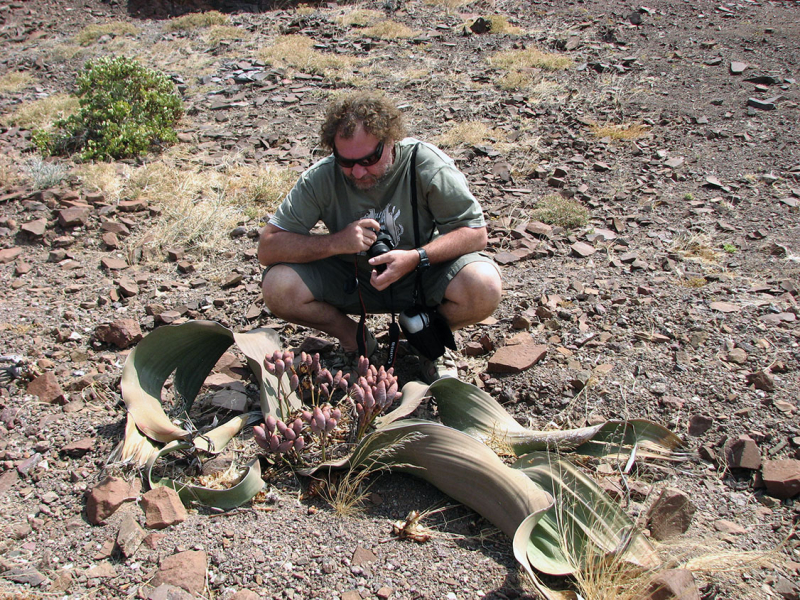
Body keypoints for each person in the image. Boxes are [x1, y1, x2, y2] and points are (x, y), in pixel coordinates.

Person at [258, 91, 501, 382]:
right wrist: (337, 243)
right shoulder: (322, 177)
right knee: (278, 286)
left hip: (421, 277)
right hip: (355, 281)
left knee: (483, 284)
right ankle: (356, 340)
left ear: (391, 140)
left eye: (370, 158)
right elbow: (268, 249)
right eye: (346, 162)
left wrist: (416, 257)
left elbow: (475, 233)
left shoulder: (425, 164)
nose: (358, 172)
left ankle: (428, 339)